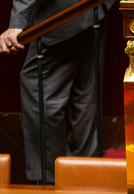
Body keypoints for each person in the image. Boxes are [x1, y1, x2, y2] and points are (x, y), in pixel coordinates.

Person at [0, 0, 115, 183]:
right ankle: (85, 174)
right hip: (92, 6)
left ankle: (50, 181)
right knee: (86, 91)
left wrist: (18, 22)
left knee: (38, 86)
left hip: (66, 8)